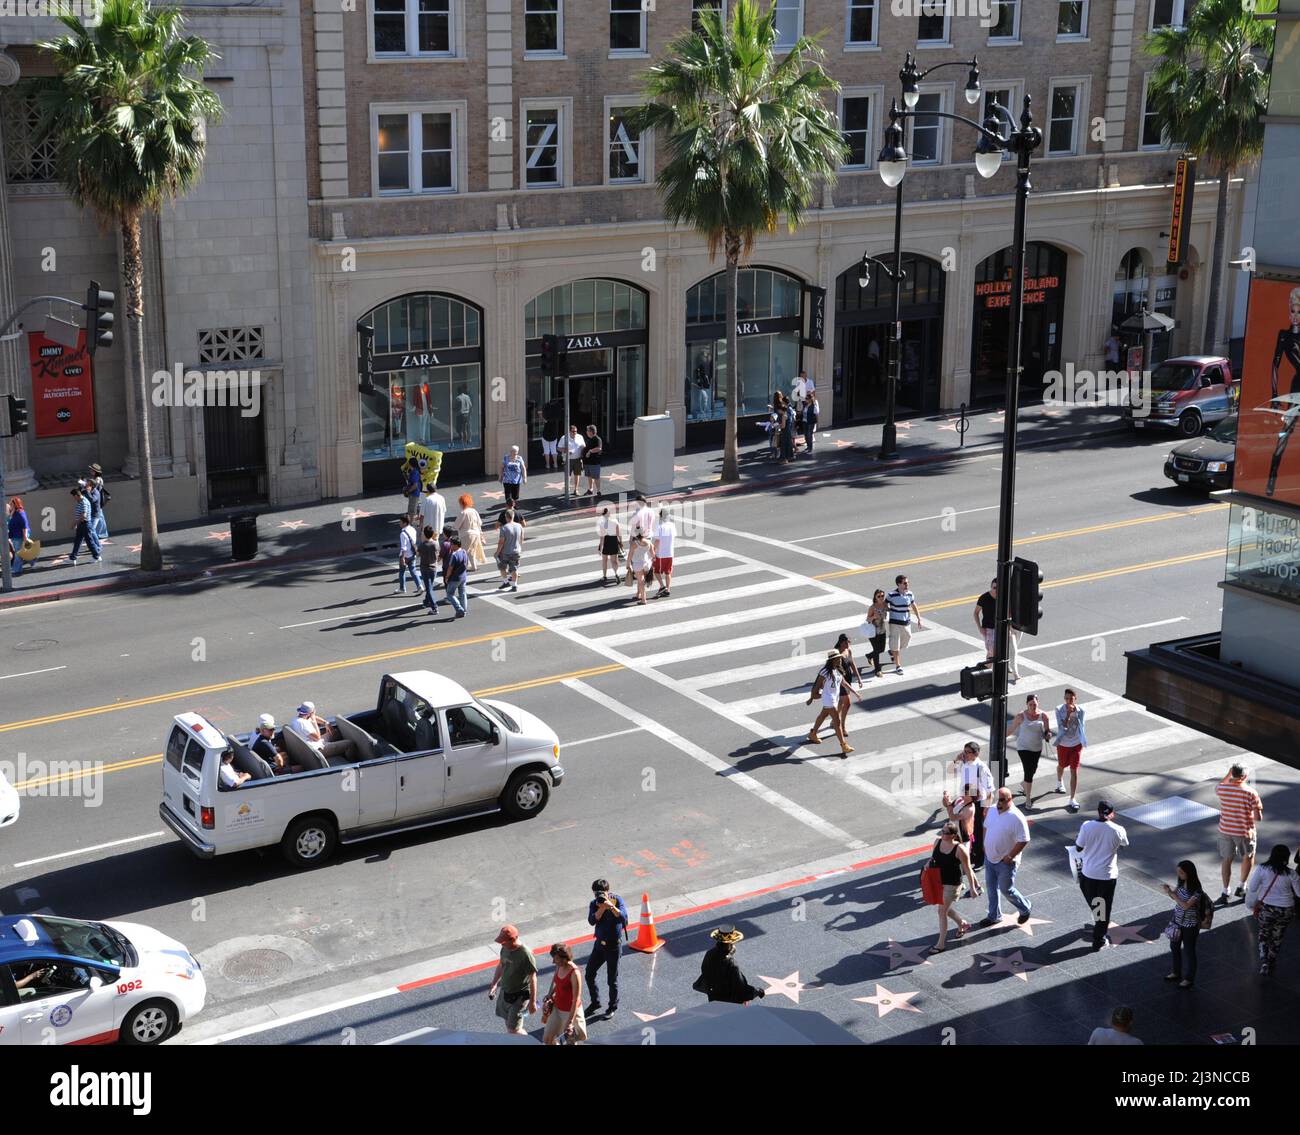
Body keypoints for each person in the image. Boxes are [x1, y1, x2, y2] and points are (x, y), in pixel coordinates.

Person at [1076, 801, 1129, 951]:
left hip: (1088, 873)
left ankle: (1099, 929)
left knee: (1097, 905)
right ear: (1112, 813)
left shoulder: (1086, 826)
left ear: (1098, 811)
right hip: (1107, 876)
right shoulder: (1118, 830)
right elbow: (1124, 845)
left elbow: (1079, 847)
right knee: (1102, 908)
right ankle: (1099, 939)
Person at [981, 787, 1032, 927]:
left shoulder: (1017, 817)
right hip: (990, 858)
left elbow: (1024, 839)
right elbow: (986, 826)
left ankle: (1025, 908)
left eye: (1002, 800)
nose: (999, 803)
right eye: (998, 799)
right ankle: (994, 916)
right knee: (991, 889)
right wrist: (985, 844)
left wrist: (1010, 856)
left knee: (1006, 890)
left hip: (1006, 862)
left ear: (1010, 799)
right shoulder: (992, 810)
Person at [1245, 844, 1300, 976]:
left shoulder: (1262, 869)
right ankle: (1272, 959)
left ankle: (1264, 962)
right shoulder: (1292, 874)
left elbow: (1252, 888)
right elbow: (1299, 893)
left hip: (1267, 908)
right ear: (1287, 858)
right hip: (1286, 909)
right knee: (1278, 935)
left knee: (1264, 934)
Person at [928, 820, 981, 952]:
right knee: (945, 908)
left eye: (945, 832)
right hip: (939, 881)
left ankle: (940, 944)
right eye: (942, 831)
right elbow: (933, 858)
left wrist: (973, 888)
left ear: (952, 835)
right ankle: (962, 924)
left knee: (941, 912)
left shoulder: (959, 849)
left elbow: (968, 869)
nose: (942, 834)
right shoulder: (937, 842)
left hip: (952, 884)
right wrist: (927, 865)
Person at [1215, 763, 1263, 904]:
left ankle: (1225, 891)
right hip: (1244, 832)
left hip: (1225, 830)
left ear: (1232, 773)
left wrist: (1228, 773)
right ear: (1244, 776)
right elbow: (1258, 818)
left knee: (1226, 860)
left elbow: (1222, 783)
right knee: (1248, 857)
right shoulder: (1251, 793)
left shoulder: (1222, 789)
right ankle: (1242, 887)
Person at [1162, 860, 1208, 989]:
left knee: (1189, 951)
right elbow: (1176, 897)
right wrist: (1169, 891)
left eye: (1181, 873)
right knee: (1174, 947)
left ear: (1189, 873)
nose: (1179, 875)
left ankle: (1189, 978)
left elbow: (1186, 905)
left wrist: (1172, 894)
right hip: (1177, 922)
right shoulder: (1181, 884)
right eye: (1178, 872)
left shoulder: (1197, 891)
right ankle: (1176, 972)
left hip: (1190, 925)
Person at [947, 741, 993, 869]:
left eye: (968, 752)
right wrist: (957, 759)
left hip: (977, 801)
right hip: (965, 798)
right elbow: (950, 771)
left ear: (976, 753)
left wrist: (986, 809)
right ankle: (971, 854)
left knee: (977, 832)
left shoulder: (981, 767)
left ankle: (980, 859)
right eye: (964, 751)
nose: (965, 754)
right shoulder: (964, 763)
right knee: (966, 831)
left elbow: (990, 790)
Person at [585, 879, 628, 1015]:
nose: (599, 896)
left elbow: (624, 919)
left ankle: (612, 1007)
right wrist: (601, 909)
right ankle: (595, 1002)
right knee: (589, 974)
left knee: (612, 980)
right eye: (596, 893)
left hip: (613, 947)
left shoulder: (617, 900)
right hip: (599, 945)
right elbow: (592, 921)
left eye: (601, 893)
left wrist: (610, 906)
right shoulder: (595, 903)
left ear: (608, 891)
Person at [487, 924, 537, 1036]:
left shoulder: (525, 954)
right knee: (509, 1025)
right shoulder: (504, 949)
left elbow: (533, 978)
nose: (501, 944)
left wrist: (532, 1002)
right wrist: (494, 984)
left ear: (513, 939)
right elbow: (501, 965)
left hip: (519, 996)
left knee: (513, 1030)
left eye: (504, 942)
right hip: (505, 992)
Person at [696, 925, 765, 1004]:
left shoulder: (709, 954)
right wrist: (757, 991)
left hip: (713, 999)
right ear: (730, 944)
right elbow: (741, 988)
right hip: (730, 1004)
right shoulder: (731, 964)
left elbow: (706, 972)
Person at [1006, 693, 1053, 808]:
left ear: (1038, 703)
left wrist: (1048, 735)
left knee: (1033, 769)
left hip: (1037, 748)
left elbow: (1048, 730)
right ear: (1027, 704)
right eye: (1030, 704)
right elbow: (1011, 729)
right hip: (1023, 748)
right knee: (1028, 771)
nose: (1033, 706)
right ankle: (1028, 799)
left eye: (1035, 704)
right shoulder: (1021, 716)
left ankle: (1024, 784)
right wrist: (1001, 738)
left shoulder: (1044, 716)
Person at [806, 652, 856, 756]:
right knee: (837, 722)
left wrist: (855, 693)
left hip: (834, 699)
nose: (840, 660)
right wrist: (813, 697)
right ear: (832, 660)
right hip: (828, 699)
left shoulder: (838, 669)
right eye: (838, 658)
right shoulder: (824, 672)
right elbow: (816, 687)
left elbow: (843, 683)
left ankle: (813, 733)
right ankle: (844, 745)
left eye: (840, 658)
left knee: (823, 715)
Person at [542, 943, 587, 1044]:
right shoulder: (559, 966)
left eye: (556, 959)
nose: (553, 961)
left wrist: (570, 1022)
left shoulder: (574, 973)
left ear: (564, 958)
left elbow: (576, 1000)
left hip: (570, 1012)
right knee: (547, 1039)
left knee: (570, 1041)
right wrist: (550, 994)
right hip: (557, 1008)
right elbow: (556, 981)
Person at [1054, 687, 1088, 813]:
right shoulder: (1059, 709)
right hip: (1063, 744)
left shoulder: (1081, 710)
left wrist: (1076, 714)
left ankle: (1072, 798)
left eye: (1071, 699)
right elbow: (1062, 727)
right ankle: (1059, 781)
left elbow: (1081, 726)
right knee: (1062, 765)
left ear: (1075, 699)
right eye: (1066, 698)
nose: (1068, 701)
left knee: (1074, 770)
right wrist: (1068, 714)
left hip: (1076, 744)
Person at [287, 701, 357, 762]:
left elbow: (314, 717)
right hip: (317, 750)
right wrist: (314, 723)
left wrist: (325, 723)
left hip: (313, 744)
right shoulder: (303, 724)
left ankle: (339, 750)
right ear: (310, 713)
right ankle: (352, 763)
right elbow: (317, 737)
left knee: (335, 733)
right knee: (350, 744)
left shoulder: (297, 719)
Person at [886, 574, 922, 675]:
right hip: (894, 623)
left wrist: (919, 618)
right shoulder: (891, 594)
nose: (907, 585)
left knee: (908, 637)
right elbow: (884, 604)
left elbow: (914, 605)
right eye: (905, 583)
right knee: (896, 645)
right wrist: (890, 610)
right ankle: (898, 666)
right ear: (898, 584)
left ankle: (892, 651)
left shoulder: (910, 594)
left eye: (907, 583)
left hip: (906, 623)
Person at [832, 633, 862, 737]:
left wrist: (858, 677)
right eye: (846, 642)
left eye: (849, 642)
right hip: (840, 681)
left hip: (848, 679)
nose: (848, 644)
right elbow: (837, 671)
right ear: (841, 642)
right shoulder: (837, 654)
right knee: (847, 703)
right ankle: (842, 726)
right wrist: (844, 683)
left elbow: (852, 663)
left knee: (841, 701)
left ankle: (834, 720)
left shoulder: (848, 650)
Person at [67, 485, 101, 565]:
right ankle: (73, 558)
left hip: (85, 525)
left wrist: (75, 524)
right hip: (82, 525)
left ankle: (97, 556)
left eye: (74, 497)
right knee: (78, 541)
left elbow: (83, 516)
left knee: (89, 541)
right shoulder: (82, 501)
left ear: (76, 496)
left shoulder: (83, 502)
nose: (74, 499)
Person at [495, 510, 524, 593]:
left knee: (502, 567)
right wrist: (518, 546)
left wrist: (497, 552)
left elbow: (501, 542)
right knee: (514, 569)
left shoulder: (504, 528)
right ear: (513, 516)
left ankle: (505, 582)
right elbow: (522, 538)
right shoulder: (519, 526)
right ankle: (514, 585)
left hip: (505, 552)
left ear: (506, 517)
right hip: (516, 551)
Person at [455, 493, 486, 571]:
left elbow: (456, 525)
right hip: (476, 533)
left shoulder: (463, 513)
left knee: (464, 551)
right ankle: (473, 566)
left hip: (466, 534)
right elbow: (480, 523)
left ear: (462, 503)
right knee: (472, 550)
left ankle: (465, 566)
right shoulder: (474, 511)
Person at [862, 589, 888, 677]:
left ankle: (869, 655)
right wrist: (873, 617)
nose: (881, 598)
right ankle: (878, 670)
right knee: (877, 650)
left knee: (882, 649)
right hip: (873, 632)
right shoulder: (872, 607)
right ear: (875, 597)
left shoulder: (884, 605)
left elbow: (889, 610)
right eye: (879, 596)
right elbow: (867, 619)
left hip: (882, 630)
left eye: (882, 596)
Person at [652, 507, 676, 598]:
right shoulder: (672, 525)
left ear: (660, 516)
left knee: (656, 571)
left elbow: (657, 541)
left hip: (660, 554)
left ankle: (662, 586)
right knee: (668, 572)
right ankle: (668, 589)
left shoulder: (659, 527)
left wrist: (653, 551)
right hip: (670, 553)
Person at [443, 534, 469, 618]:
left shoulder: (454, 555)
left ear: (455, 545)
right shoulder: (464, 551)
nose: (450, 546)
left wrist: (447, 577)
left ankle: (459, 609)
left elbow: (450, 568)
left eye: (451, 544)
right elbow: (466, 564)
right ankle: (464, 609)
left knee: (449, 594)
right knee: (462, 593)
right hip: (463, 577)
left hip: (455, 578)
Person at [974, 579, 998, 666]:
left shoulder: (1003, 597)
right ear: (991, 587)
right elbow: (976, 613)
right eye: (994, 587)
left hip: (1001, 627)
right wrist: (980, 628)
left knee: (996, 652)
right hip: (989, 628)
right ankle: (988, 670)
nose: (996, 590)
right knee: (991, 651)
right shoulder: (984, 598)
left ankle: (988, 669)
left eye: (998, 588)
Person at [418, 525, 441, 614]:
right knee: (429, 586)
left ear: (424, 534)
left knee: (429, 588)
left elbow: (418, 554)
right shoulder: (436, 544)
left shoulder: (423, 545)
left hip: (425, 568)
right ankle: (426, 601)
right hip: (434, 567)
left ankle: (434, 607)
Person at [597, 506, 623, 585]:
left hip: (607, 541)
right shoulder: (615, 521)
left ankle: (604, 576)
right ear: (609, 514)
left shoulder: (602, 523)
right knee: (614, 561)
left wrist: (600, 547)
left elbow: (602, 537)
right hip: (614, 540)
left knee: (604, 560)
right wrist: (620, 542)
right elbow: (619, 534)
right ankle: (616, 574)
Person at [394, 515, 419, 595]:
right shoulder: (413, 529)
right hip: (412, 553)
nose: (399, 523)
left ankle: (402, 588)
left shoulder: (403, 533)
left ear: (405, 523)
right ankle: (419, 586)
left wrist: (402, 558)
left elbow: (403, 547)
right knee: (413, 570)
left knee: (402, 571)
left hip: (406, 555)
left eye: (400, 522)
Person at [6, 496, 30, 577]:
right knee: (20, 552)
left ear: (16, 504)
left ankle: (16, 569)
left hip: (19, 536)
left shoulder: (20, 513)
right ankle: (32, 559)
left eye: (12, 503)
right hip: (14, 536)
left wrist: (25, 536)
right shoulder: (14, 513)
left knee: (18, 553)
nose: (10, 505)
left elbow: (24, 525)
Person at [627, 531, 652, 605]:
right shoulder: (648, 542)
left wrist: (628, 564)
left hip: (638, 564)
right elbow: (652, 553)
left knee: (640, 581)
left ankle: (643, 599)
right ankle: (638, 594)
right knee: (640, 580)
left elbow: (630, 555)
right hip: (646, 563)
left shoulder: (634, 544)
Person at [541, 397, 564, 469]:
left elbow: (544, 420)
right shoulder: (556, 417)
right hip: (554, 434)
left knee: (546, 450)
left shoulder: (547, 416)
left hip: (546, 434)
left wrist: (540, 415)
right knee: (554, 450)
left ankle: (547, 464)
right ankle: (555, 464)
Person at [581, 425, 602, 496]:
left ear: (591, 432)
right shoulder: (589, 439)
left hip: (594, 462)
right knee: (589, 476)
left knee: (596, 477)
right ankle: (590, 489)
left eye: (588, 431)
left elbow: (599, 448)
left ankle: (598, 491)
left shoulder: (597, 439)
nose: (586, 432)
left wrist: (590, 451)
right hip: (587, 462)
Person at [802, 385, 819, 454]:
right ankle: (808, 446)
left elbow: (816, 414)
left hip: (811, 422)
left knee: (809, 434)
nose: (805, 400)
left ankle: (810, 448)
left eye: (807, 398)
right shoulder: (806, 405)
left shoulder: (814, 406)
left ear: (810, 399)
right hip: (805, 421)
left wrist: (817, 422)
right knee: (805, 434)